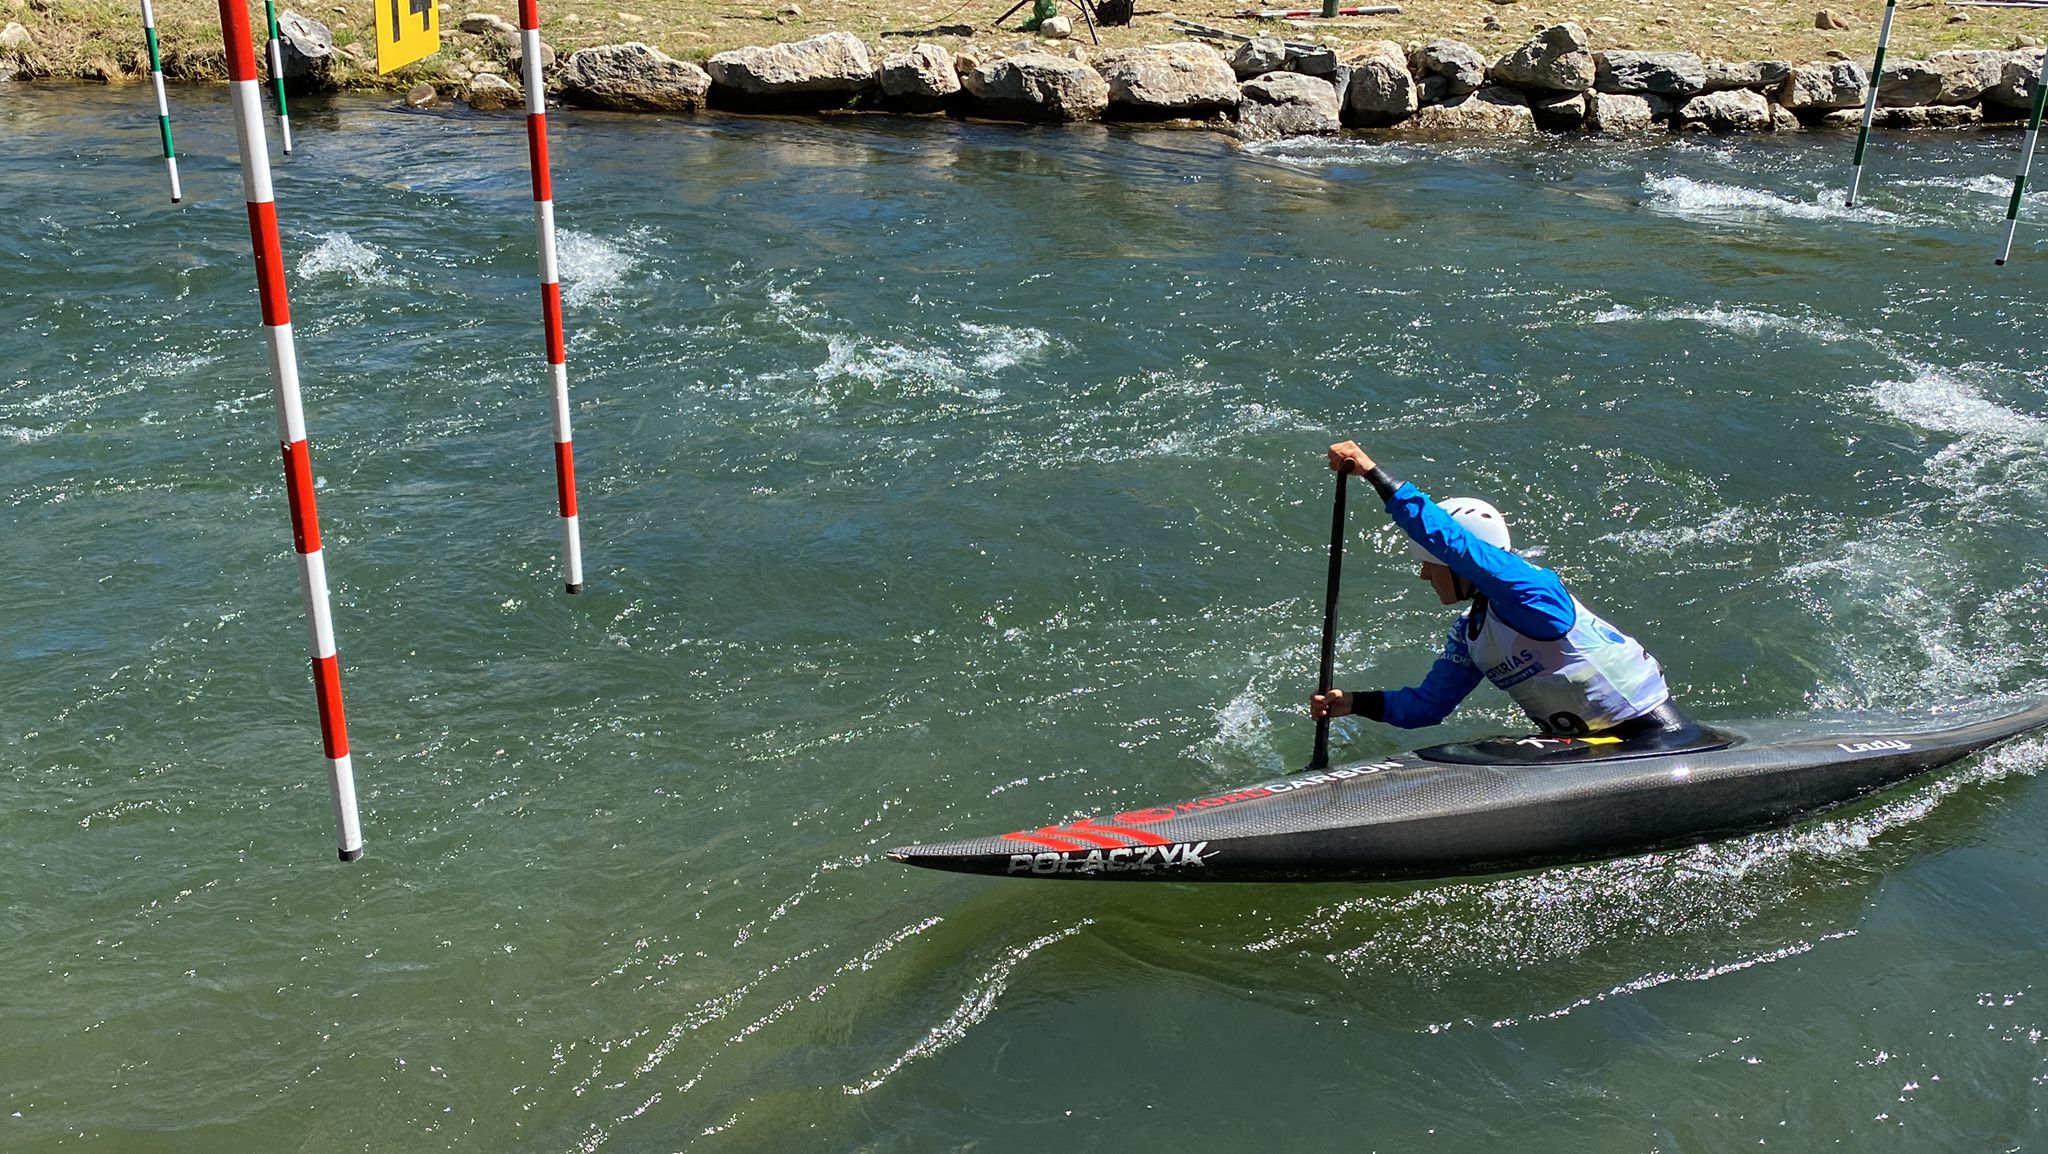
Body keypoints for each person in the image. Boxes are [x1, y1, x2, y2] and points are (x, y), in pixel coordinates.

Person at [1310, 440, 1699, 746]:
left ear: (1463, 565)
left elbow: (1451, 543)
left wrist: (1372, 473)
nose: (1424, 575)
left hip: (1655, 737)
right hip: (1584, 749)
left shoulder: (1530, 591)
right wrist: (1353, 703)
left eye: (1431, 564)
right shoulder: (1470, 634)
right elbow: (1427, 706)